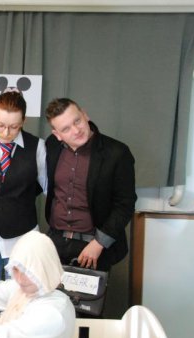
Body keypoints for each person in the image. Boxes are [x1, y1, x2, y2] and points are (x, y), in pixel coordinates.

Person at [44, 98, 136, 273]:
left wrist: (99, 243)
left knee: (89, 293)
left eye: (77, 121)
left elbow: (125, 205)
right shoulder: (52, 145)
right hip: (55, 243)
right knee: (50, 292)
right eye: (66, 129)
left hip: (94, 246)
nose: (76, 130)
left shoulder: (117, 153)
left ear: (85, 115)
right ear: (57, 134)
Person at [0, 90, 47, 282]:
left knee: (20, 296)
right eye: (0, 125)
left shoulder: (37, 146)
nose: (6, 133)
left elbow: (48, 187)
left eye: (14, 127)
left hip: (23, 239)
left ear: (23, 121)